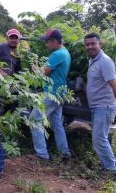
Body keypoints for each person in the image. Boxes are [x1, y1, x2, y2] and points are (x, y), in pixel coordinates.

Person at [84, 32, 116, 178]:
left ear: (100, 44)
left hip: (104, 107)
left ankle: (113, 173)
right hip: (97, 106)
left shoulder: (104, 61)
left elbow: (115, 86)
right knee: (99, 138)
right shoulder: (93, 60)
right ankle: (109, 170)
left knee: (99, 139)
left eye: (93, 43)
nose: (90, 46)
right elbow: (99, 82)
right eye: (87, 44)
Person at [28, 29, 71, 161]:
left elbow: (42, 74)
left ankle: (41, 155)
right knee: (56, 124)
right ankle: (64, 154)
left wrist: (35, 69)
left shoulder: (57, 54)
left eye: (47, 42)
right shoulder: (65, 52)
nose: (45, 45)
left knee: (34, 121)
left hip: (52, 94)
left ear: (54, 41)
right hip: (60, 93)